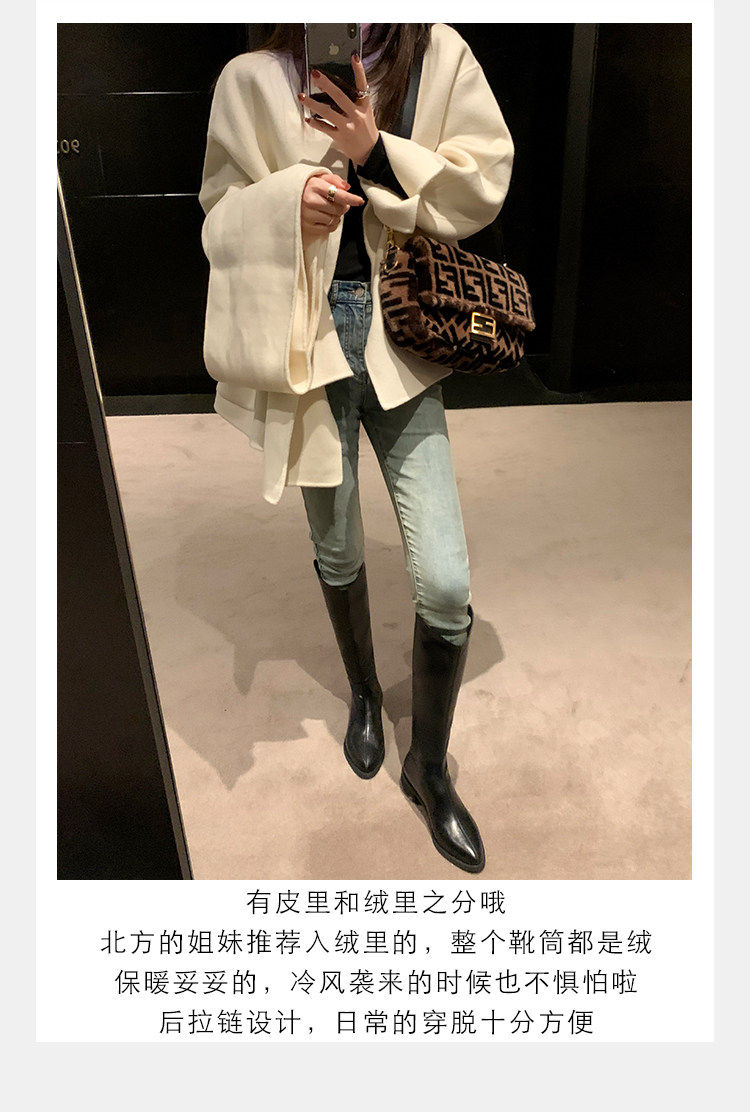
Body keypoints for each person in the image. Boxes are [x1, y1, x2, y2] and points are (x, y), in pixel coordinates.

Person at [198, 23, 514, 874]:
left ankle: (429, 769)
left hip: (402, 337)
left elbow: (484, 180)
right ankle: (367, 696)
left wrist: (377, 151)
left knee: (445, 584)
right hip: (307, 348)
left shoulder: (437, 55)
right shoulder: (251, 78)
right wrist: (285, 204)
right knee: (335, 546)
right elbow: (217, 216)